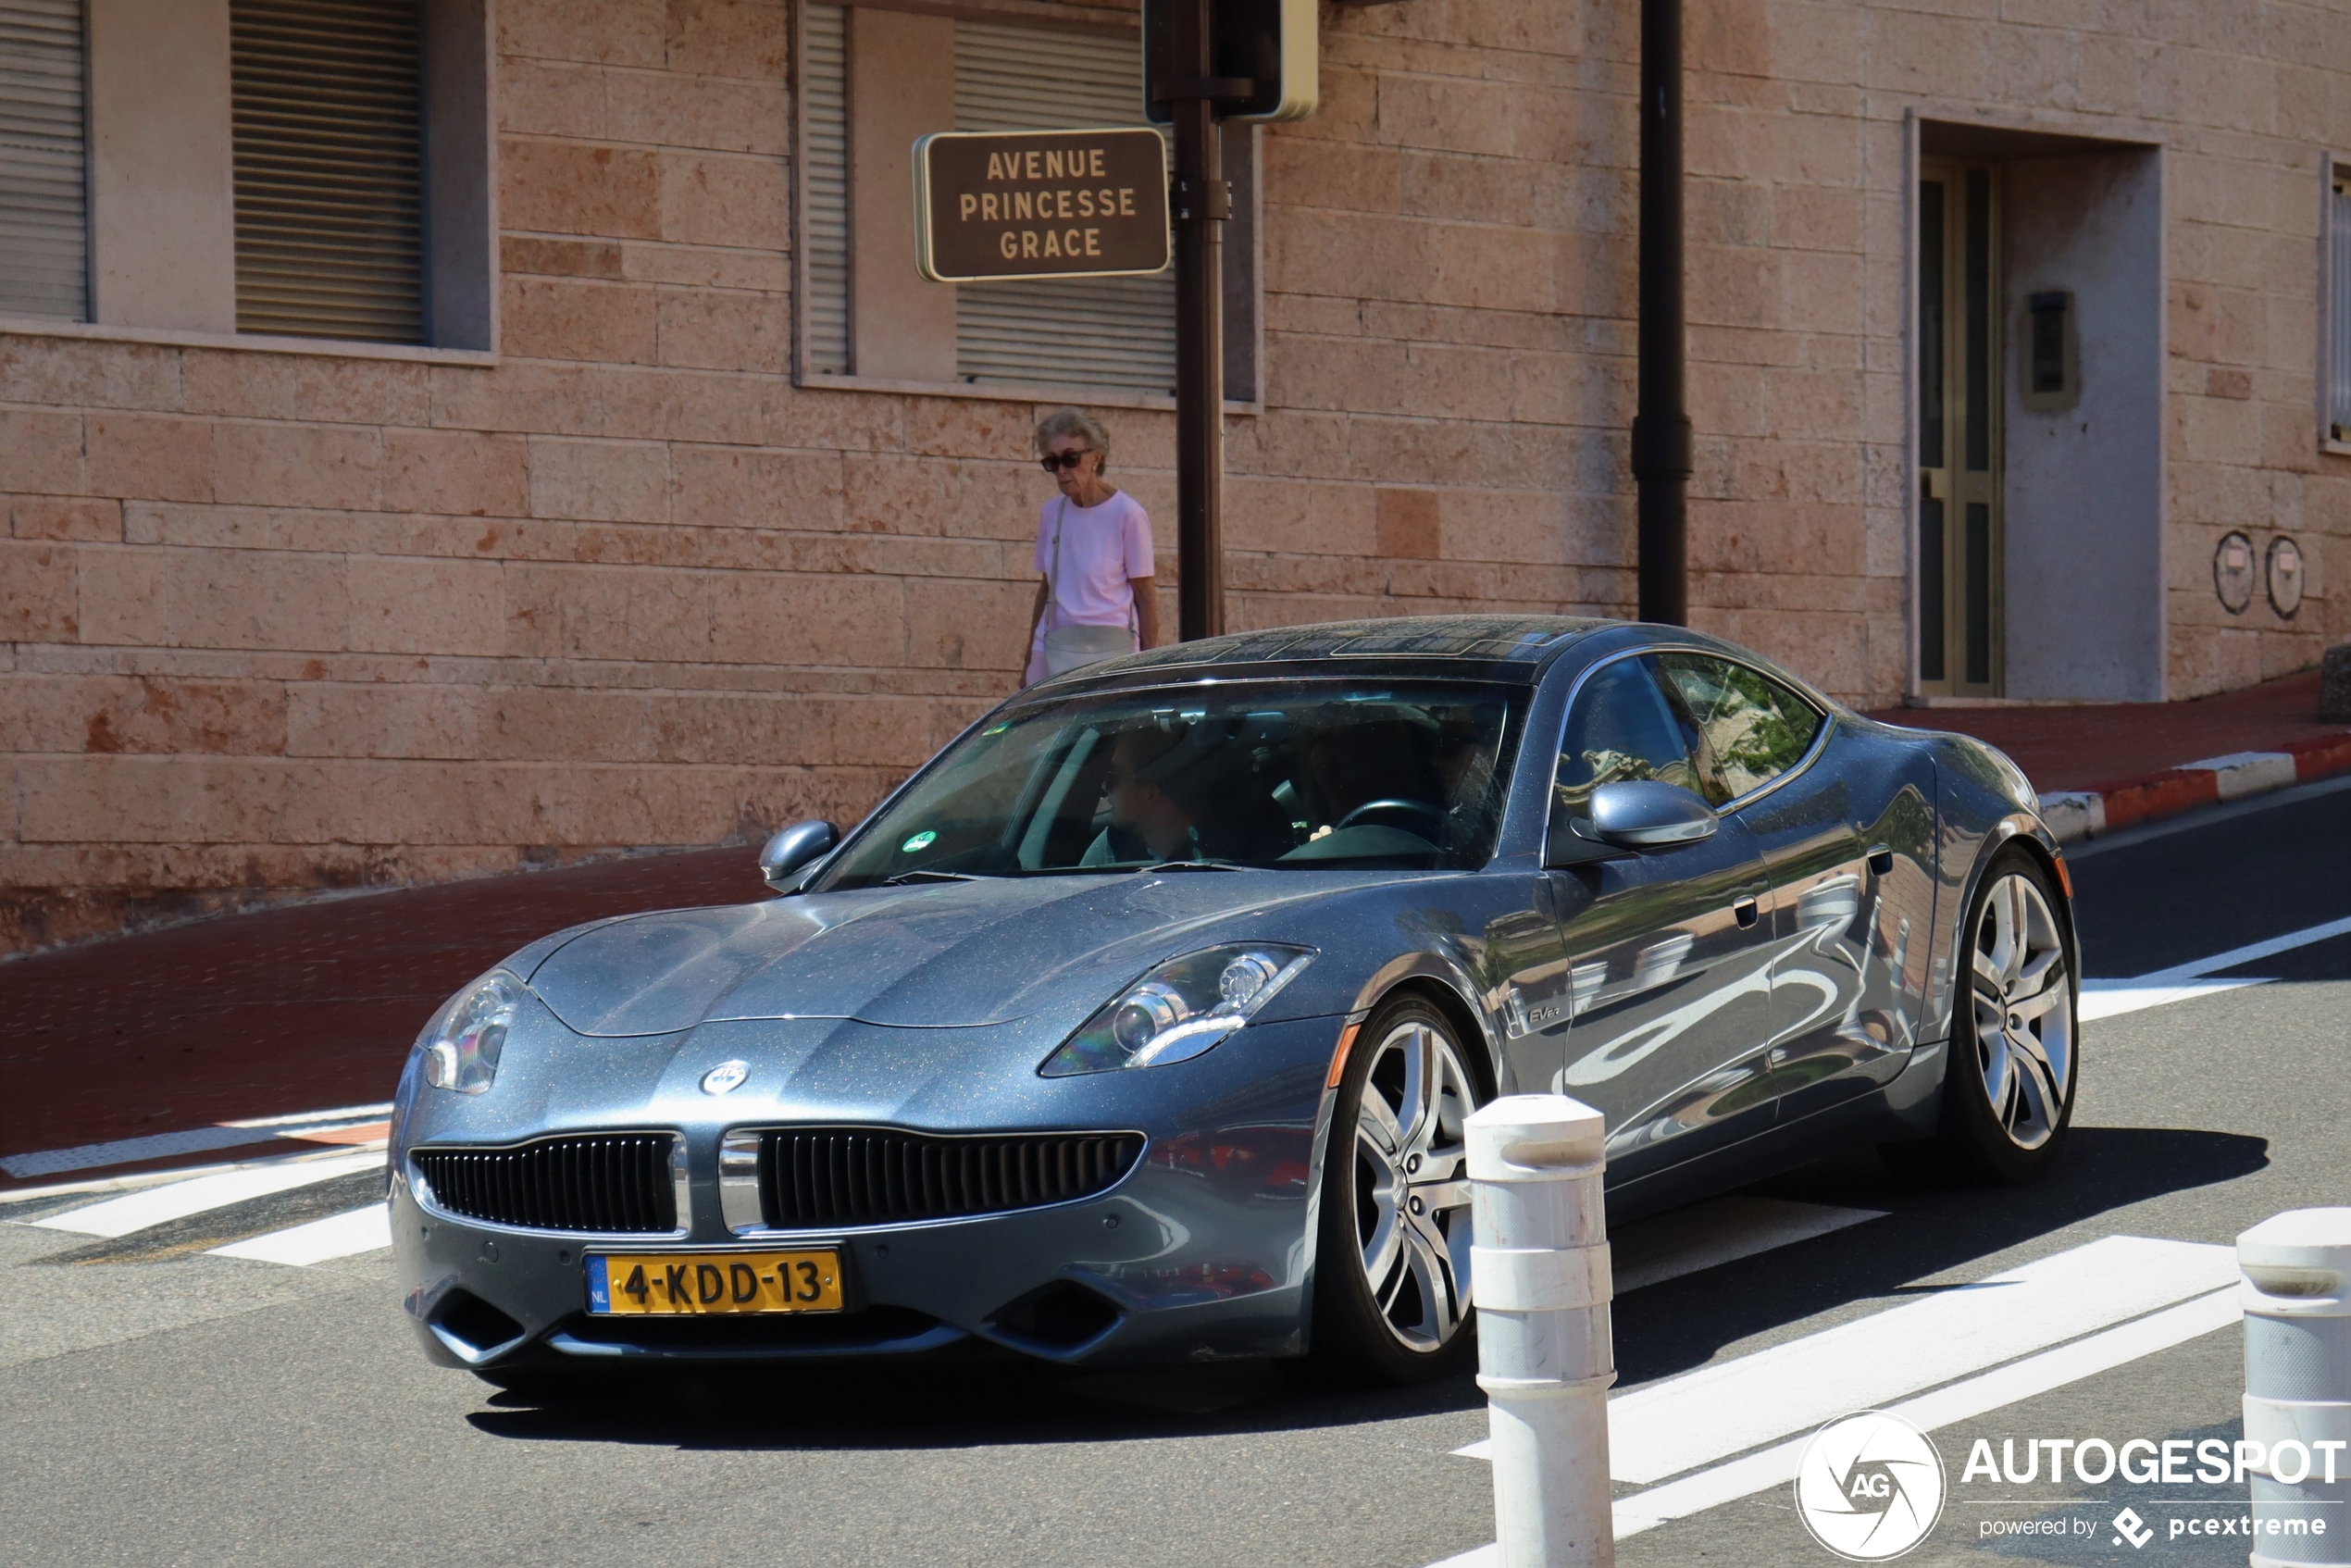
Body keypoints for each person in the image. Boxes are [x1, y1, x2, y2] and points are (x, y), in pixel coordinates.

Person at [1022, 407, 1158, 684]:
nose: (1061, 470)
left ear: (1096, 457)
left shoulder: (1127, 515)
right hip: (1055, 643)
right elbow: (1046, 587)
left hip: (1111, 647)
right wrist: (1028, 659)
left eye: (1070, 459)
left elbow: (1145, 595)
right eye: (1052, 462)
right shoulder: (1052, 513)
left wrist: (1148, 664)